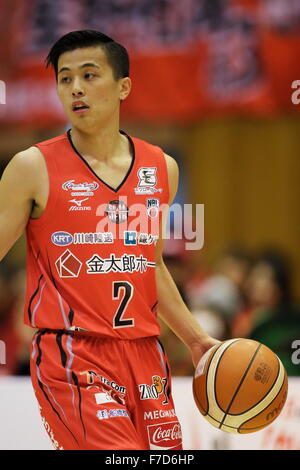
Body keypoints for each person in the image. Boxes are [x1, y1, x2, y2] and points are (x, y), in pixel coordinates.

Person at [0, 30, 219, 450]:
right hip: (72, 355)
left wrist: (195, 339)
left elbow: (149, 266)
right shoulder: (32, 166)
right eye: (65, 79)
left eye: (89, 74)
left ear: (123, 87)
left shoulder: (161, 167)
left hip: (145, 354)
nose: (76, 88)